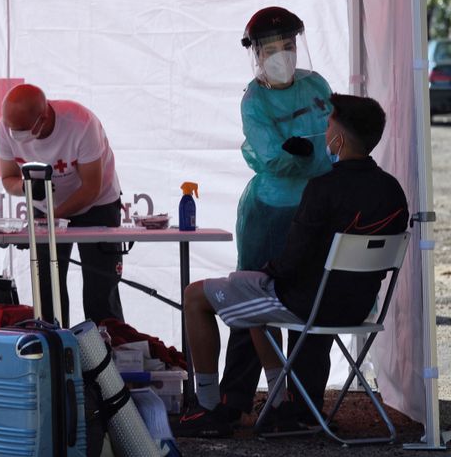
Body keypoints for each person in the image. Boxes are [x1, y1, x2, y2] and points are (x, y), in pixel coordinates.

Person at [175, 93, 409, 438]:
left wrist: (266, 272)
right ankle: (282, 404)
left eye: (329, 125)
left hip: (310, 304)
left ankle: (208, 406)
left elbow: (293, 261)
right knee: (255, 302)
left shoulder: (322, 188)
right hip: (360, 308)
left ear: (339, 139)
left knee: (195, 296)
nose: (325, 131)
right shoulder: (393, 190)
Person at [222, 6, 336, 424]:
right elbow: (272, 156)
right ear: (256, 53)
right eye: (271, 48)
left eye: (288, 46)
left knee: (308, 306)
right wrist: (303, 152)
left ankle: (304, 406)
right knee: (251, 301)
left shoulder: (316, 85)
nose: (282, 55)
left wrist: (312, 151)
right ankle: (235, 399)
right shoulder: (254, 100)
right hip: (270, 211)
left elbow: (335, 137)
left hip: (315, 208)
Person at [0, 83, 123, 327]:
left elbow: (91, 188)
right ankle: (54, 354)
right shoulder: (6, 128)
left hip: (97, 206)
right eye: (11, 128)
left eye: (21, 130)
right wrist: (27, 188)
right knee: (47, 291)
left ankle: (106, 355)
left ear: (43, 118)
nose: (14, 135)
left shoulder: (81, 124)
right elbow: (8, 178)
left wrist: (53, 218)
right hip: (45, 208)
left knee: (100, 291)